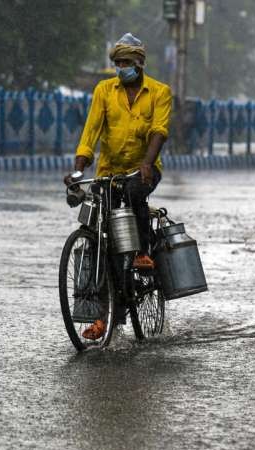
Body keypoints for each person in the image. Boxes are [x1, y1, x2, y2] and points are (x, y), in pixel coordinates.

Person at [64, 32, 172, 340]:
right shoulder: (103, 91)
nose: (120, 67)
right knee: (97, 237)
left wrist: (147, 163)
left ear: (139, 64)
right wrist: (78, 168)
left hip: (143, 170)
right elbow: (91, 130)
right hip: (109, 172)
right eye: (117, 63)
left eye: (125, 62)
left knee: (135, 192)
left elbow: (159, 131)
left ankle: (141, 252)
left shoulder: (159, 92)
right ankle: (100, 314)